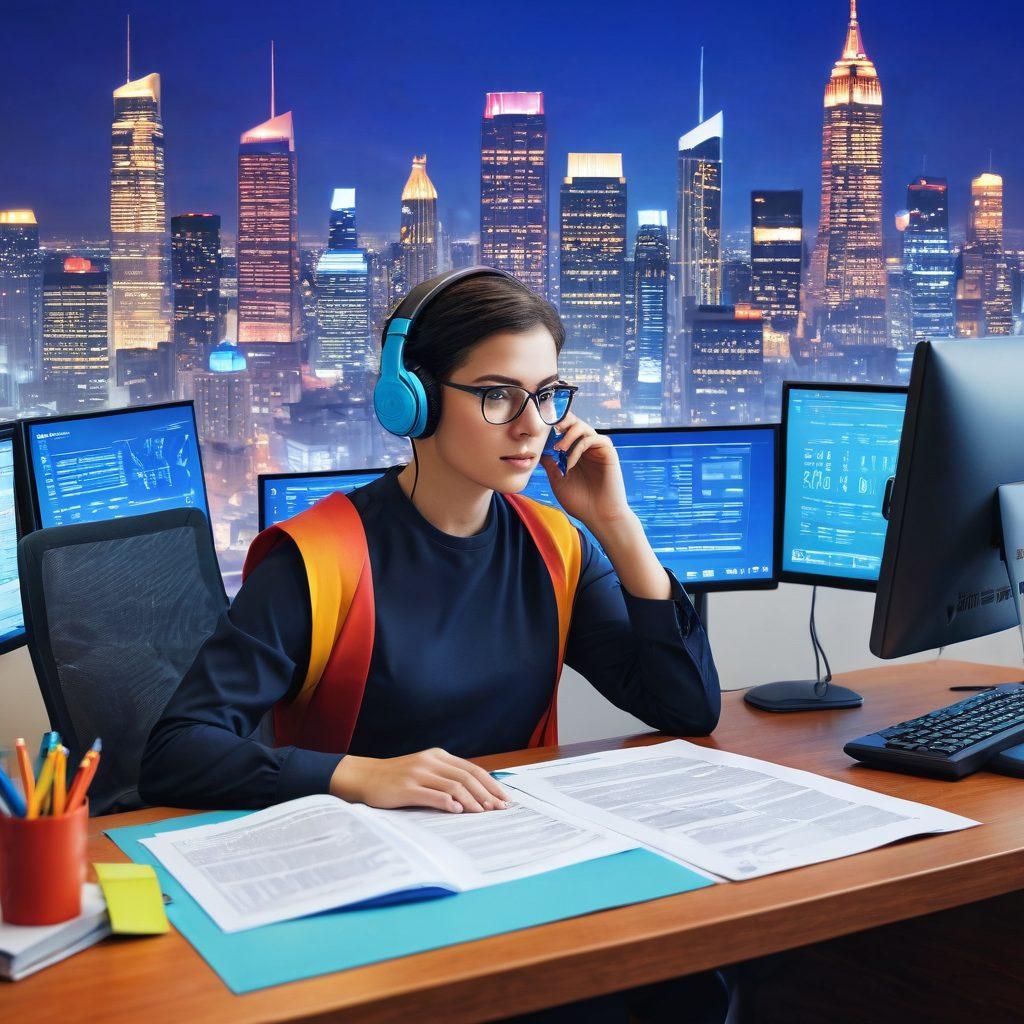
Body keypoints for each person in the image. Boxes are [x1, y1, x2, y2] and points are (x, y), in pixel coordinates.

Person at [140, 268, 728, 1023]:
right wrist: (359, 775)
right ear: (411, 400)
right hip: (366, 890)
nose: (532, 425)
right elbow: (177, 750)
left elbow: (686, 708)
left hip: (513, 874)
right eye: (496, 394)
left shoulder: (556, 545)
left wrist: (616, 522)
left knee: (690, 982)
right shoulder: (318, 559)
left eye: (546, 394)